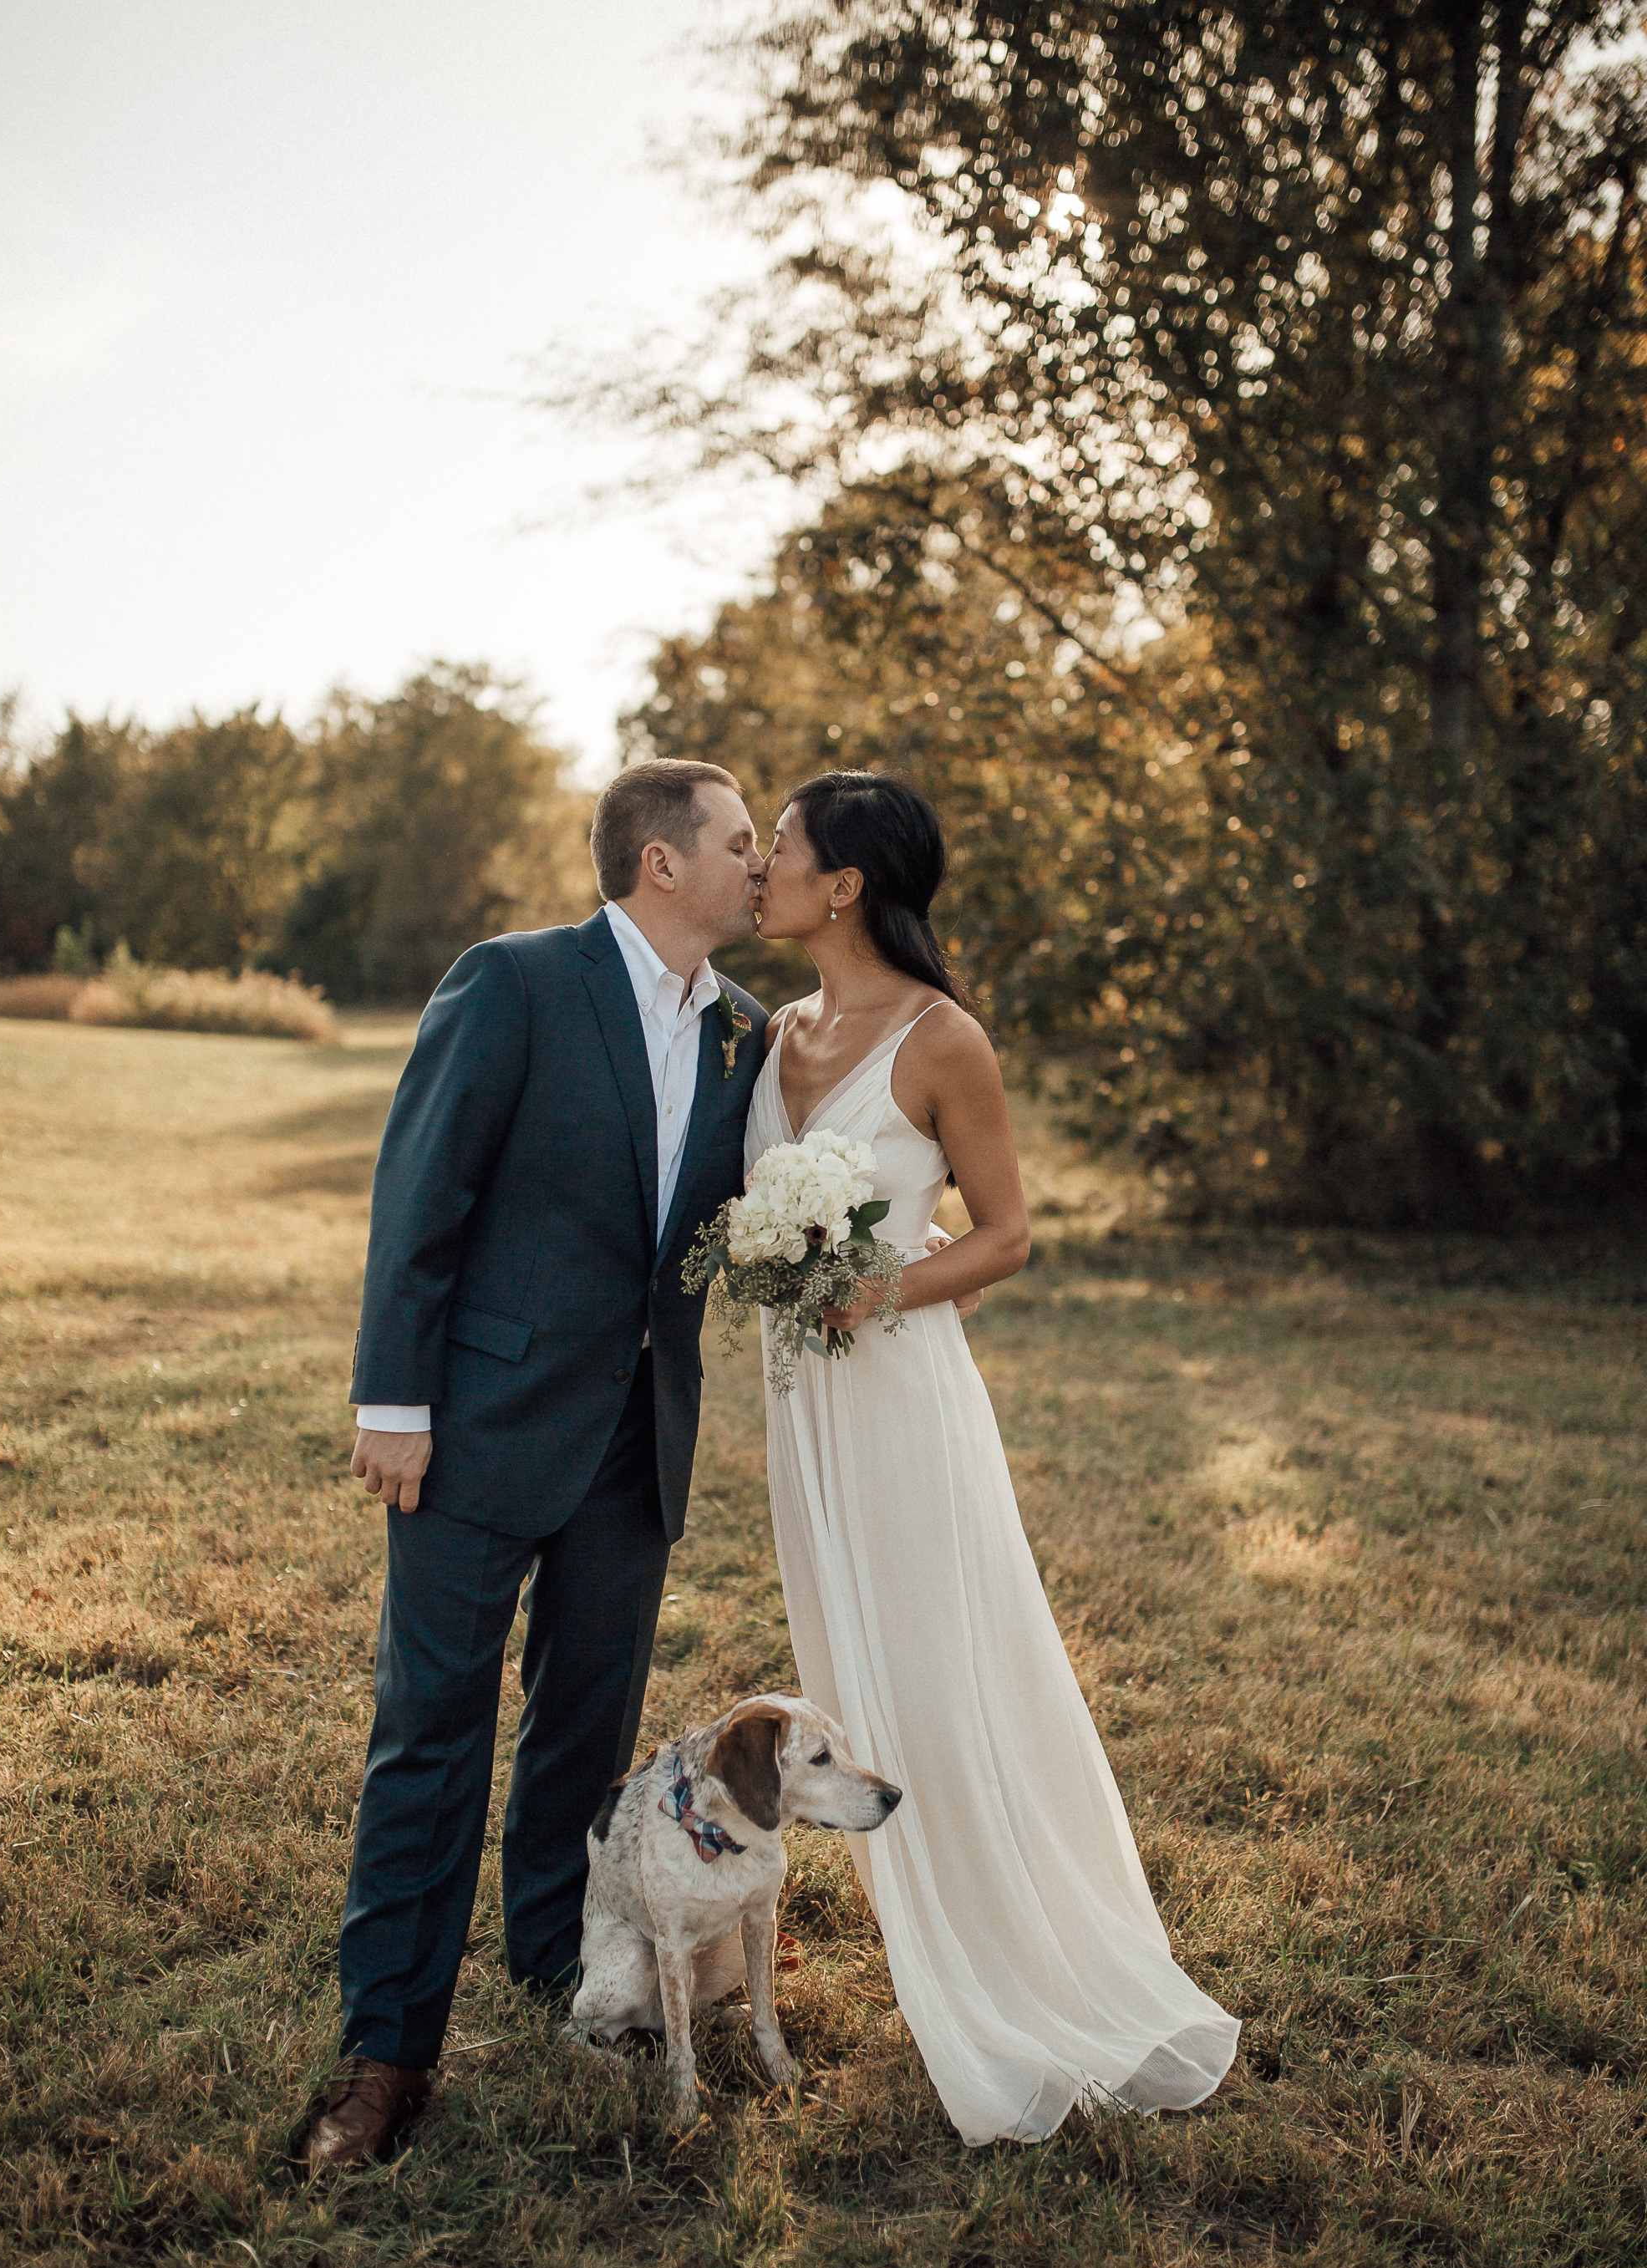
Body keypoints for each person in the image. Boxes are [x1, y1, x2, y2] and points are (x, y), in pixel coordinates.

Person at [746, 770, 1238, 2145]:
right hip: (801, 1410)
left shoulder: (941, 1039)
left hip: (900, 1395)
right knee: (850, 1661)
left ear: (844, 883)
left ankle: (1002, 1956)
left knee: (934, 1672)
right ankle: (918, 1931)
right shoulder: (775, 1030)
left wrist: (876, 1291)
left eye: (779, 847)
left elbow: (1006, 1235)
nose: (760, 867)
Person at [293, 760, 769, 2176]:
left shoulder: (745, 1032)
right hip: (478, 1425)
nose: (765, 863)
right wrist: (393, 1397)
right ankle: (387, 2050)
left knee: (584, 1732)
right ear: (661, 862)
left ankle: (560, 1963)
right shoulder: (512, 981)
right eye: (742, 843)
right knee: (429, 1735)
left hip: (637, 1445)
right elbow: (421, 1190)